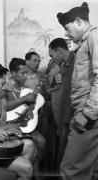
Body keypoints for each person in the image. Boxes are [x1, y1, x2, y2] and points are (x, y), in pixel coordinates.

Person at [57, 2, 98, 180]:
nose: (66, 33)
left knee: (70, 171)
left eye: (67, 28)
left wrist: (87, 114)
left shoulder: (94, 37)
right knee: (90, 172)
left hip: (88, 115)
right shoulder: (86, 41)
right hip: (86, 113)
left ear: (78, 21)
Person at [0, 62, 33, 180]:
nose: (4, 87)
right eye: (2, 83)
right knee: (27, 168)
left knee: (28, 145)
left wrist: (2, 130)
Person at [7, 57, 46, 177]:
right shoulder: (7, 88)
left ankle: (35, 167)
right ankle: (29, 171)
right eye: (23, 73)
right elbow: (4, 108)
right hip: (11, 126)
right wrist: (24, 99)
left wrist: (35, 110)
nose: (26, 76)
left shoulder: (25, 88)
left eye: (26, 73)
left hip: (25, 125)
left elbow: (28, 108)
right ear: (13, 73)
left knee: (42, 141)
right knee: (34, 144)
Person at [47, 38, 74, 169]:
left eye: (52, 55)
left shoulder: (77, 62)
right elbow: (59, 87)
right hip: (65, 114)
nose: (52, 59)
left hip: (72, 114)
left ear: (59, 50)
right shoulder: (64, 67)